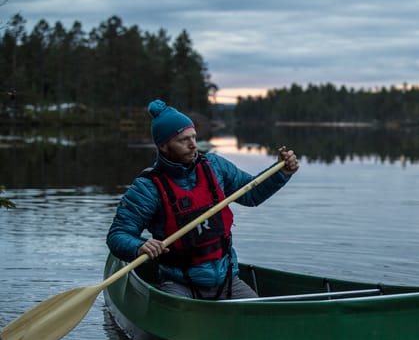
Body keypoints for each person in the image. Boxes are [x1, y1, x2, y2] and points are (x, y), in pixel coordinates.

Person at [107, 99, 299, 300]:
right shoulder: (148, 187)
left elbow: (251, 194)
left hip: (226, 280)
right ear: (163, 146)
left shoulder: (216, 167)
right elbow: (118, 235)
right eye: (183, 140)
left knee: (260, 315)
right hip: (179, 285)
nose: (193, 145)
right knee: (180, 316)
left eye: (194, 137)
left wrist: (281, 172)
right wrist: (139, 246)